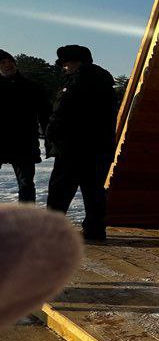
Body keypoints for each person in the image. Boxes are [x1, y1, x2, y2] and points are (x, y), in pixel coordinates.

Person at [46, 45, 119, 242]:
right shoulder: (105, 84)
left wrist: (51, 133)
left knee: (60, 191)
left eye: (65, 63)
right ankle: (95, 231)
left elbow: (62, 112)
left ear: (75, 62)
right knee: (93, 191)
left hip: (73, 147)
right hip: (99, 149)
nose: (64, 68)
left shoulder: (77, 83)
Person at [0, 50, 51, 203]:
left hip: (24, 142)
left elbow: (45, 114)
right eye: (2, 63)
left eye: (10, 62)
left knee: (26, 183)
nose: (7, 65)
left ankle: (27, 221)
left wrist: (49, 136)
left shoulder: (31, 87)